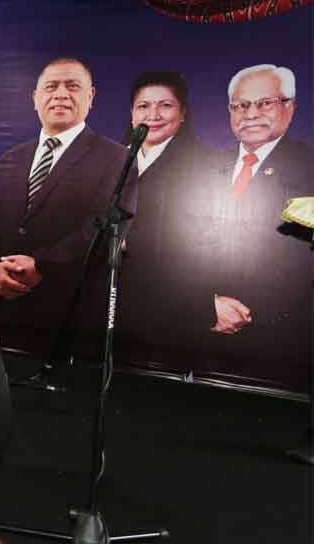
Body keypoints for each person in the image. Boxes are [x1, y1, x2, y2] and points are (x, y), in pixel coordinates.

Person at [0, 57, 136, 367]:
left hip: (68, 321)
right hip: (3, 316)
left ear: (90, 97)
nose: (61, 94)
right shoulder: (10, 158)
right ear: (35, 98)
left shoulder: (116, 158)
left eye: (73, 86)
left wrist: (42, 265)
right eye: (51, 87)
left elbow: (106, 229)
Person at [201, 64, 312, 391]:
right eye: (240, 105)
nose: (250, 113)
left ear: (290, 107)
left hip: (282, 348)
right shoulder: (201, 164)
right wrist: (204, 304)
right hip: (201, 336)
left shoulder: (310, 167)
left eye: (265, 103)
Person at [116, 71, 216, 370]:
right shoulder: (111, 159)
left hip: (167, 307)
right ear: (132, 114)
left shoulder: (204, 164)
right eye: (143, 106)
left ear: (183, 114)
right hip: (110, 301)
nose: (153, 115)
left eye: (165, 106)